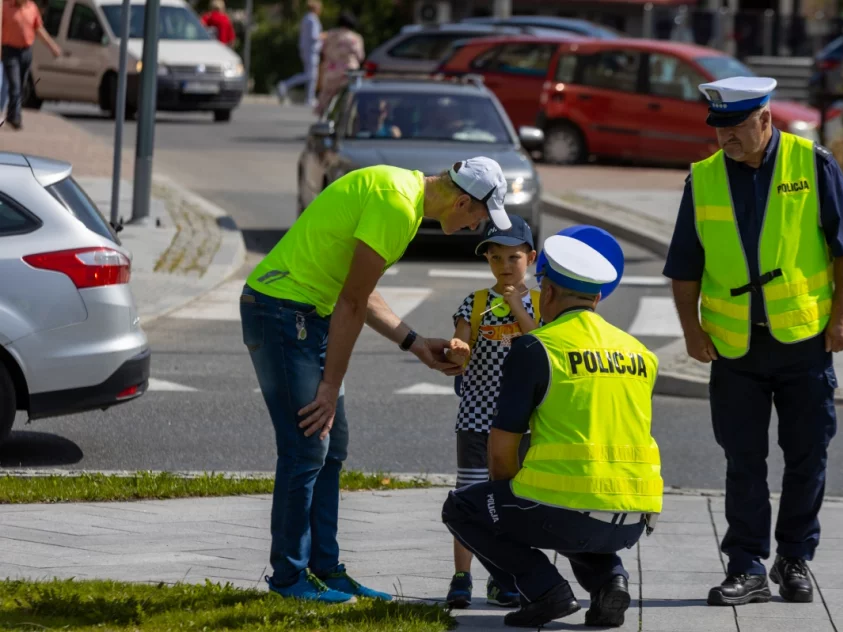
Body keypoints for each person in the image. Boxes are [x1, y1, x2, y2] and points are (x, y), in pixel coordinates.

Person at [241, 157, 513, 604]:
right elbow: (350, 301)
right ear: (463, 200)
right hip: (283, 313)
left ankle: (325, 568)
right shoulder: (396, 206)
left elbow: (358, 289)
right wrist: (329, 387)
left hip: (303, 313)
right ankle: (289, 578)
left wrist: (414, 342)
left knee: (332, 446)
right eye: (479, 217)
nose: (475, 229)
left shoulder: (400, 192)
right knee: (307, 444)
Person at [662, 76, 843, 606]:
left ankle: (794, 559)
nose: (725, 140)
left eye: (735, 129)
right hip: (733, 347)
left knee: (807, 456)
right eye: (719, 130)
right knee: (743, 461)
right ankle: (746, 565)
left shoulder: (812, 163)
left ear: (765, 120)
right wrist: (691, 329)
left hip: (804, 341)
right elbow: (684, 266)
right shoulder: (703, 179)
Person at [442, 234, 664, 629]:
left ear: (549, 292)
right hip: (633, 519)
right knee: (570, 507)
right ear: (596, 299)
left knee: (464, 508)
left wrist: (505, 508)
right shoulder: (639, 352)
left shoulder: (537, 347)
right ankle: (609, 581)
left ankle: (545, 591)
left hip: (566, 510)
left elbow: (500, 451)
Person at [442, 216, 540, 610]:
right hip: (477, 420)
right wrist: (457, 352)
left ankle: (507, 577)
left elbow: (542, 343)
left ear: (530, 258)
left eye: (513, 257)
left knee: (514, 500)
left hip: (522, 424)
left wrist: (517, 306)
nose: (503, 265)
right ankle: (461, 576)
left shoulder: (539, 302)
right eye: (495, 257)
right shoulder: (476, 302)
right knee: (469, 497)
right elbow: (460, 345)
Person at [1, 0, 61, 130]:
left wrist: (52, 47)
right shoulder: (5, 6)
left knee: (21, 86)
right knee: (15, 84)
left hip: (26, 52)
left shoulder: (32, 8)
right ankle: (16, 117)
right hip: (10, 51)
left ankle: (12, 115)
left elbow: (39, 29)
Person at [314, 10, 363, 118]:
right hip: (349, 72)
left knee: (326, 96)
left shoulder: (330, 35)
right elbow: (360, 56)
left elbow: (322, 51)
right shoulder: (355, 38)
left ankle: (322, 119)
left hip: (331, 71)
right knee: (348, 99)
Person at [277, 0, 324, 107]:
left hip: (308, 50)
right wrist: (325, 36)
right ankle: (285, 85)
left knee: (312, 76)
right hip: (311, 51)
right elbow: (314, 36)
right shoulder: (312, 19)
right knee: (310, 75)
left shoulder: (307, 18)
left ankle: (309, 98)